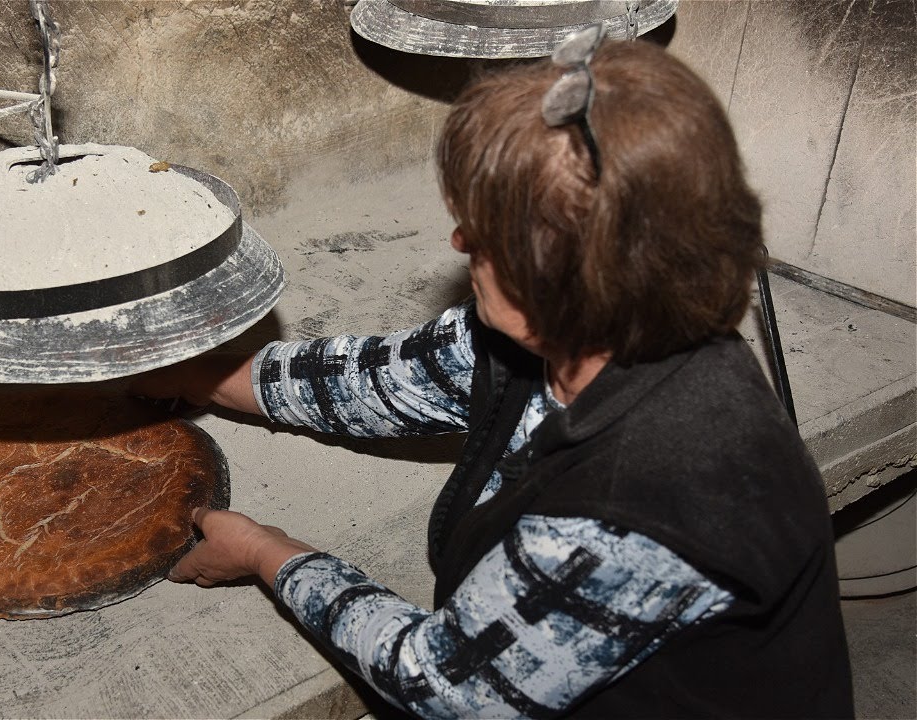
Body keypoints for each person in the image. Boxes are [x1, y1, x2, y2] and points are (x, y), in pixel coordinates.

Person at [132, 38, 853, 718]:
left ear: (564, 286)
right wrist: (196, 375)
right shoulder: (595, 328)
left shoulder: (646, 512)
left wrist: (265, 552)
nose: (456, 241)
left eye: (481, 233)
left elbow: (446, 688)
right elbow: (386, 381)